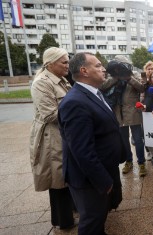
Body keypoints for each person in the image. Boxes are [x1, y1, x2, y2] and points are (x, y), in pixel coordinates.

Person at [58, 52, 125, 235]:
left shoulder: (92, 93)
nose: (103, 68)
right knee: (92, 222)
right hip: (89, 180)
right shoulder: (75, 102)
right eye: (97, 65)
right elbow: (82, 151)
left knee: (99, 218)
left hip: (101, 171)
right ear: (84, 71)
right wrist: (103, 181)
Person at [29, 47, 76, 230]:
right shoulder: (41, 83)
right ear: (50, 64)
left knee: (65, 176)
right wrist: (78, 113)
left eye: (68, 61)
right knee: (57, 180)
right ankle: (63, 221)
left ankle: (70, 213)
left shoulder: (61, 79)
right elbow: (50, 115)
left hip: (63, 133)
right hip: (52, 136)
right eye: (64, 62)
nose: (68, 65)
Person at [101, 55, 147, 177]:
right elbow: (102, 87)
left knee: (138, 140)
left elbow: (142, 88)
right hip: (118, 114)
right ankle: (128, 161)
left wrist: (129, 79)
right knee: (123, 140)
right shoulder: (112, 76)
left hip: (133, 113)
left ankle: (142, 163)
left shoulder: (134, 74)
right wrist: (116, 78)